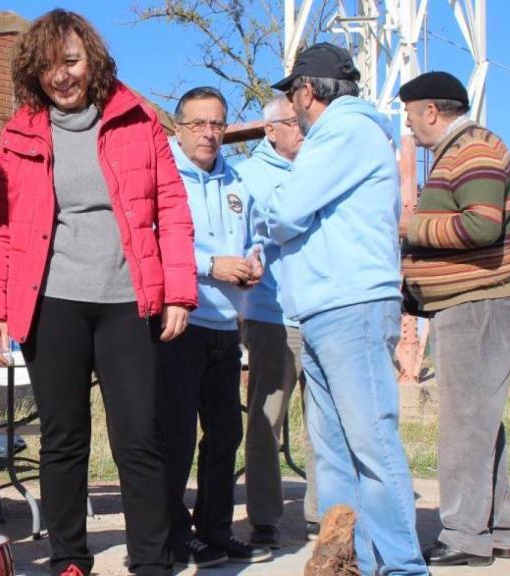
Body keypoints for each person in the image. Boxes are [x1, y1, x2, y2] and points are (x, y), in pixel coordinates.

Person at [0, 9, 195, 576]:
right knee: (62, 437)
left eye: (70, 61)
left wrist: (178, 292)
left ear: (91, 59)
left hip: (128, 299)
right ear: (34, 72)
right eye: (48, 66)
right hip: (51, 303)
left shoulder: (138, 120)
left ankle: (151, 560)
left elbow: (171, 209)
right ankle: (69, 557)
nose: (61, 76)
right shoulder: (19, 130)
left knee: (139, 436)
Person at [258, 42, 427, 575]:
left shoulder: (344, 131)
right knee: (333, 457)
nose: (292, 107)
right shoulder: (347, 134)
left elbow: (285, 211)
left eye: (293, 95)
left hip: (350, 304)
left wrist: (270, 214)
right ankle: (350, 561)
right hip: (325, 308)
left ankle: (401, 567)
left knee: (371, 447)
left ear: (307, 91)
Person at [399, 71, 510, 567]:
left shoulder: (474, 150)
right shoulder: (464, 150)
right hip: (471, 302)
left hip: (479, 303)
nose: (409, 128)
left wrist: (413, 226)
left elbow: (481, 225)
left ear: (431, 111)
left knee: (465, 422)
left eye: (410, 117)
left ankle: (464, 536)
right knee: (479, 421)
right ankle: (497, 530)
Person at [159, 86, 269, 567]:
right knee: (176, 436)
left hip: (227, 325)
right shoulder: (165, 177)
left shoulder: (237, 181)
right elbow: (156, 241)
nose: (209, 133)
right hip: (180, 322)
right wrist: (210, 266)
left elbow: (255, 236)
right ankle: (172, 535)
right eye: (199, 124)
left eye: (217, 124)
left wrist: (254, 261)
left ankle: (215, 529)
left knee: (226, 434)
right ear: (178, 128)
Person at [237, 92, 319, 546]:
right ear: (270, 130)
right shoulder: (247, 176)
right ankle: (264, 519)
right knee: (267, 419)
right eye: (296, 123)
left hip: (323, 309)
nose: (305, 130)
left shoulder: (319, 166)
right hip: (272, 313)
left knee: (324, 421)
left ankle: (322, 515)